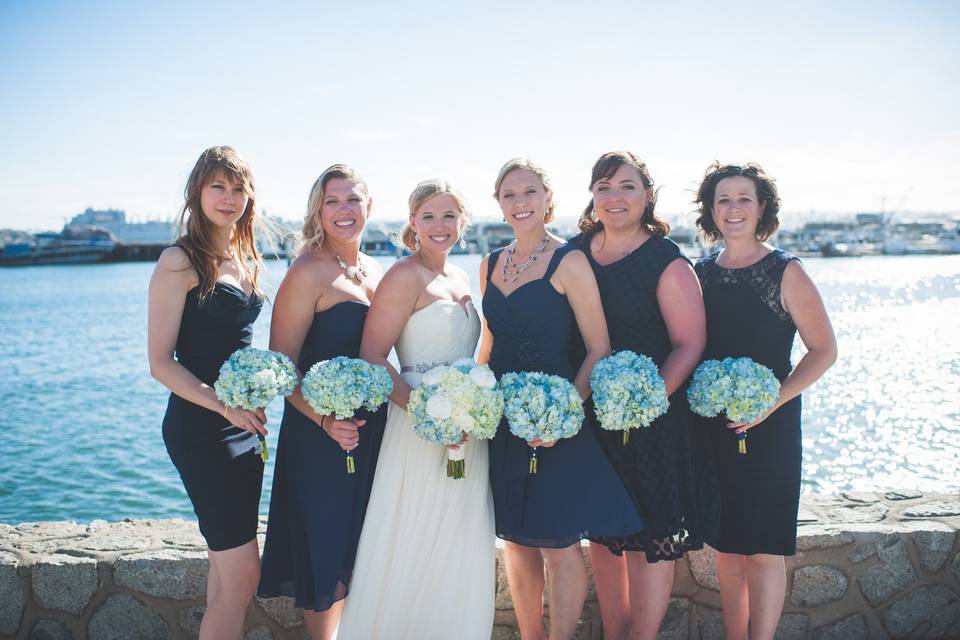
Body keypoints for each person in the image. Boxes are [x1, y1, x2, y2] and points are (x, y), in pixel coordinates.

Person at [479, 158, 644, 640]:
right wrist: (471, 402)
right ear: (499, 204)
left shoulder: (569, 261)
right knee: (516, 541)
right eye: (510, 194)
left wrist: (559, 416)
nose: (520, 202)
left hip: (558, 422)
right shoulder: (490, 262)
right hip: (504, 421)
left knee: (559, 546)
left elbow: (598, 350)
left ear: (548, 199)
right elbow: (488, 347)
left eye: (530, 192)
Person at [338, 179, 495, 639]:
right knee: (414, 533)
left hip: (467, 430)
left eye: (449, 216)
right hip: (416, 428)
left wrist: (473, 405)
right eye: (428, 216)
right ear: (413, 223)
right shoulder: (404, 276)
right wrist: (427, 415)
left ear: (462, 222)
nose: (439, 225)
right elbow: (372, 356)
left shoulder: (462, 277)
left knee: (458, 539)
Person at [569, 150, 717, 640]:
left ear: (648, 195)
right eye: (604, 186)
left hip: (651, 422)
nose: (615, 197)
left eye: (627, 186)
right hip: (589, 419)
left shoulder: (665, 260)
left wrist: (641, 403)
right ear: (592, 195)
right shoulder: (574, 252)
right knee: (607, 536)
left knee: (651, 534)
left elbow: (688, 343)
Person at [693, 162, 837, 640]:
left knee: (763, 548)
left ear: (762, 208)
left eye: (744, 199)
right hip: (715, 426)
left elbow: (823, 350)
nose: (733, 209)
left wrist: (773, 401)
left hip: (771, 426)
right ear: (711, 211)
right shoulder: (700, 274)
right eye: (723, 200)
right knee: (727, 547)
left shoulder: (785, 270)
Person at [257, 165, 386, 639]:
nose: (344, 210)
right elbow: (280, 368)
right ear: (318, 210)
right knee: (324, 546)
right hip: (318, 435)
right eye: (332, 201)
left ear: (369, 206)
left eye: (353, 199)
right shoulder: (306, 270)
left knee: (361, 545)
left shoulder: (374, 270)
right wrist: (326, 421)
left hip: (372, 432)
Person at [148, 146, 267, 639]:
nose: (229, 197)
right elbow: (160, 363)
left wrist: (258, 392)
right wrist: (225, 406)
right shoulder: (179, 260)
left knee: (226, 577)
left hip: (244, 430)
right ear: (197, 192)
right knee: (242, 579)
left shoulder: (245, 256)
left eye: (238, 188)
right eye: (218, 186)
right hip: (202, 430)